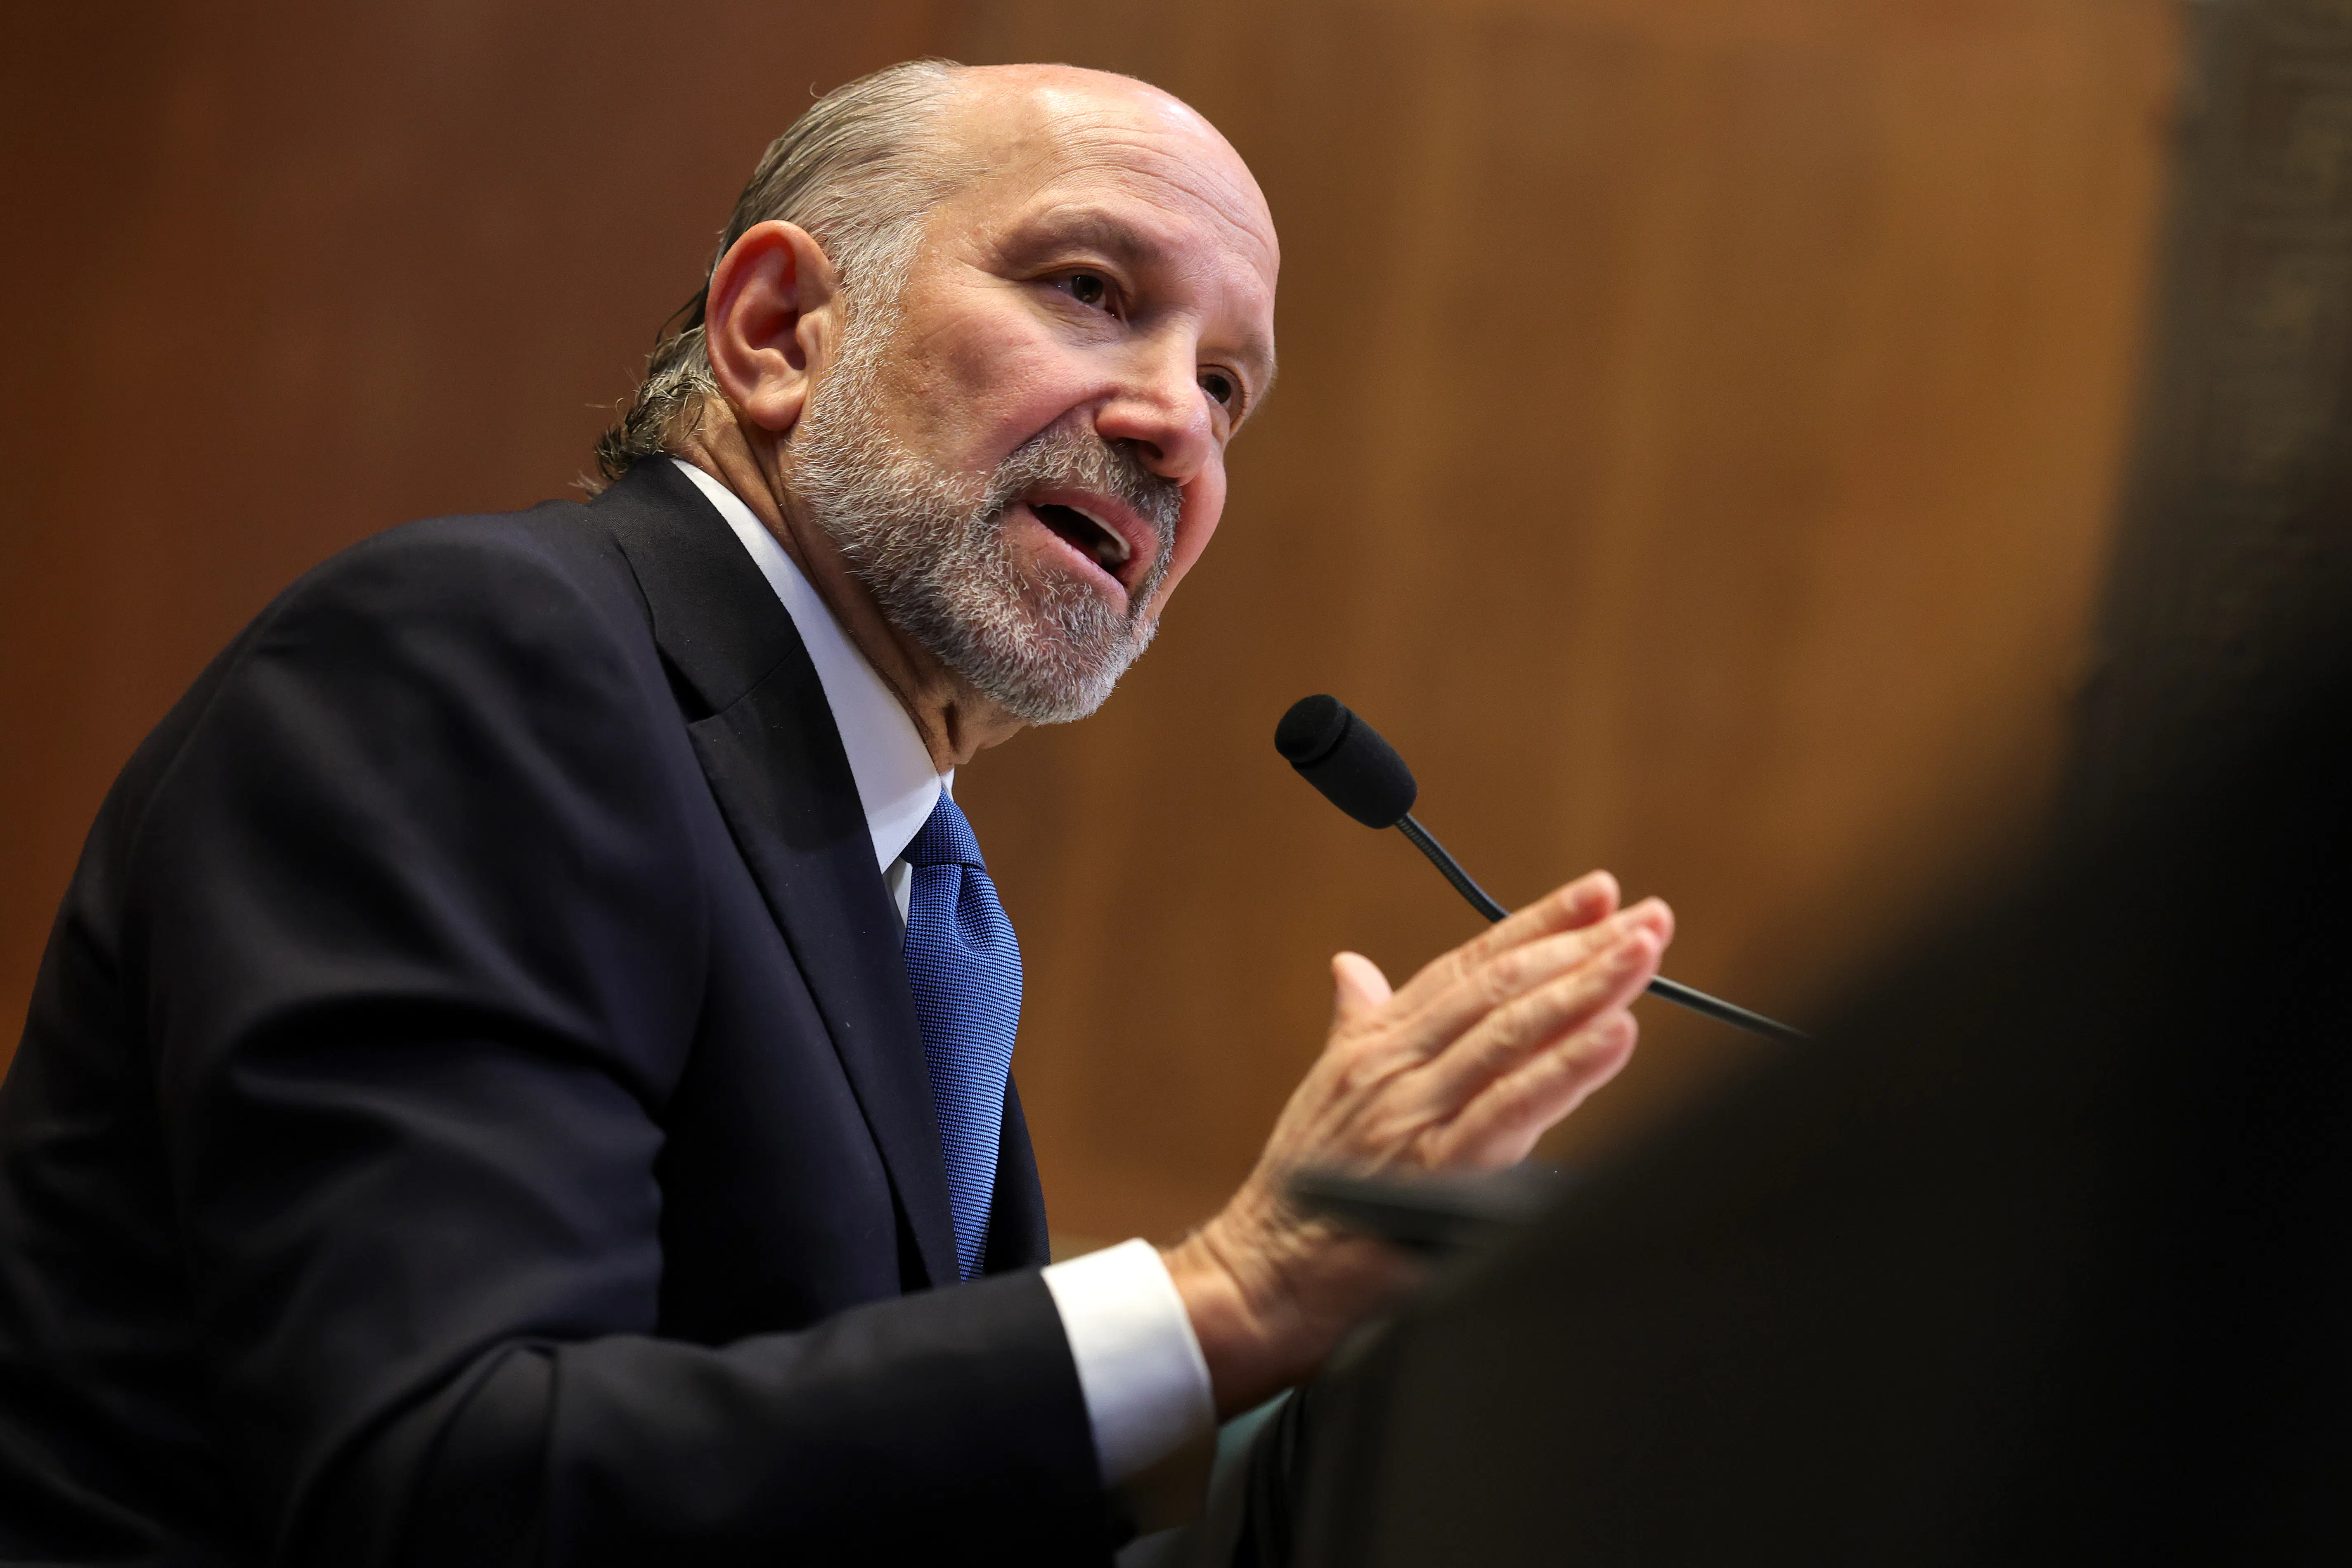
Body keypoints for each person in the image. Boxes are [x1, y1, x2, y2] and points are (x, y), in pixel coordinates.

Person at [0, 60, 1674, 1565]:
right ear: (780, 328)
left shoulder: (894, 889)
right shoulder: (476, 663)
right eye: (1090, 290)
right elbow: (457, 1479)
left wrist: (1383, 1373)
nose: (1176, 424)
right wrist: (1220, 1298)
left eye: (1228, 387)